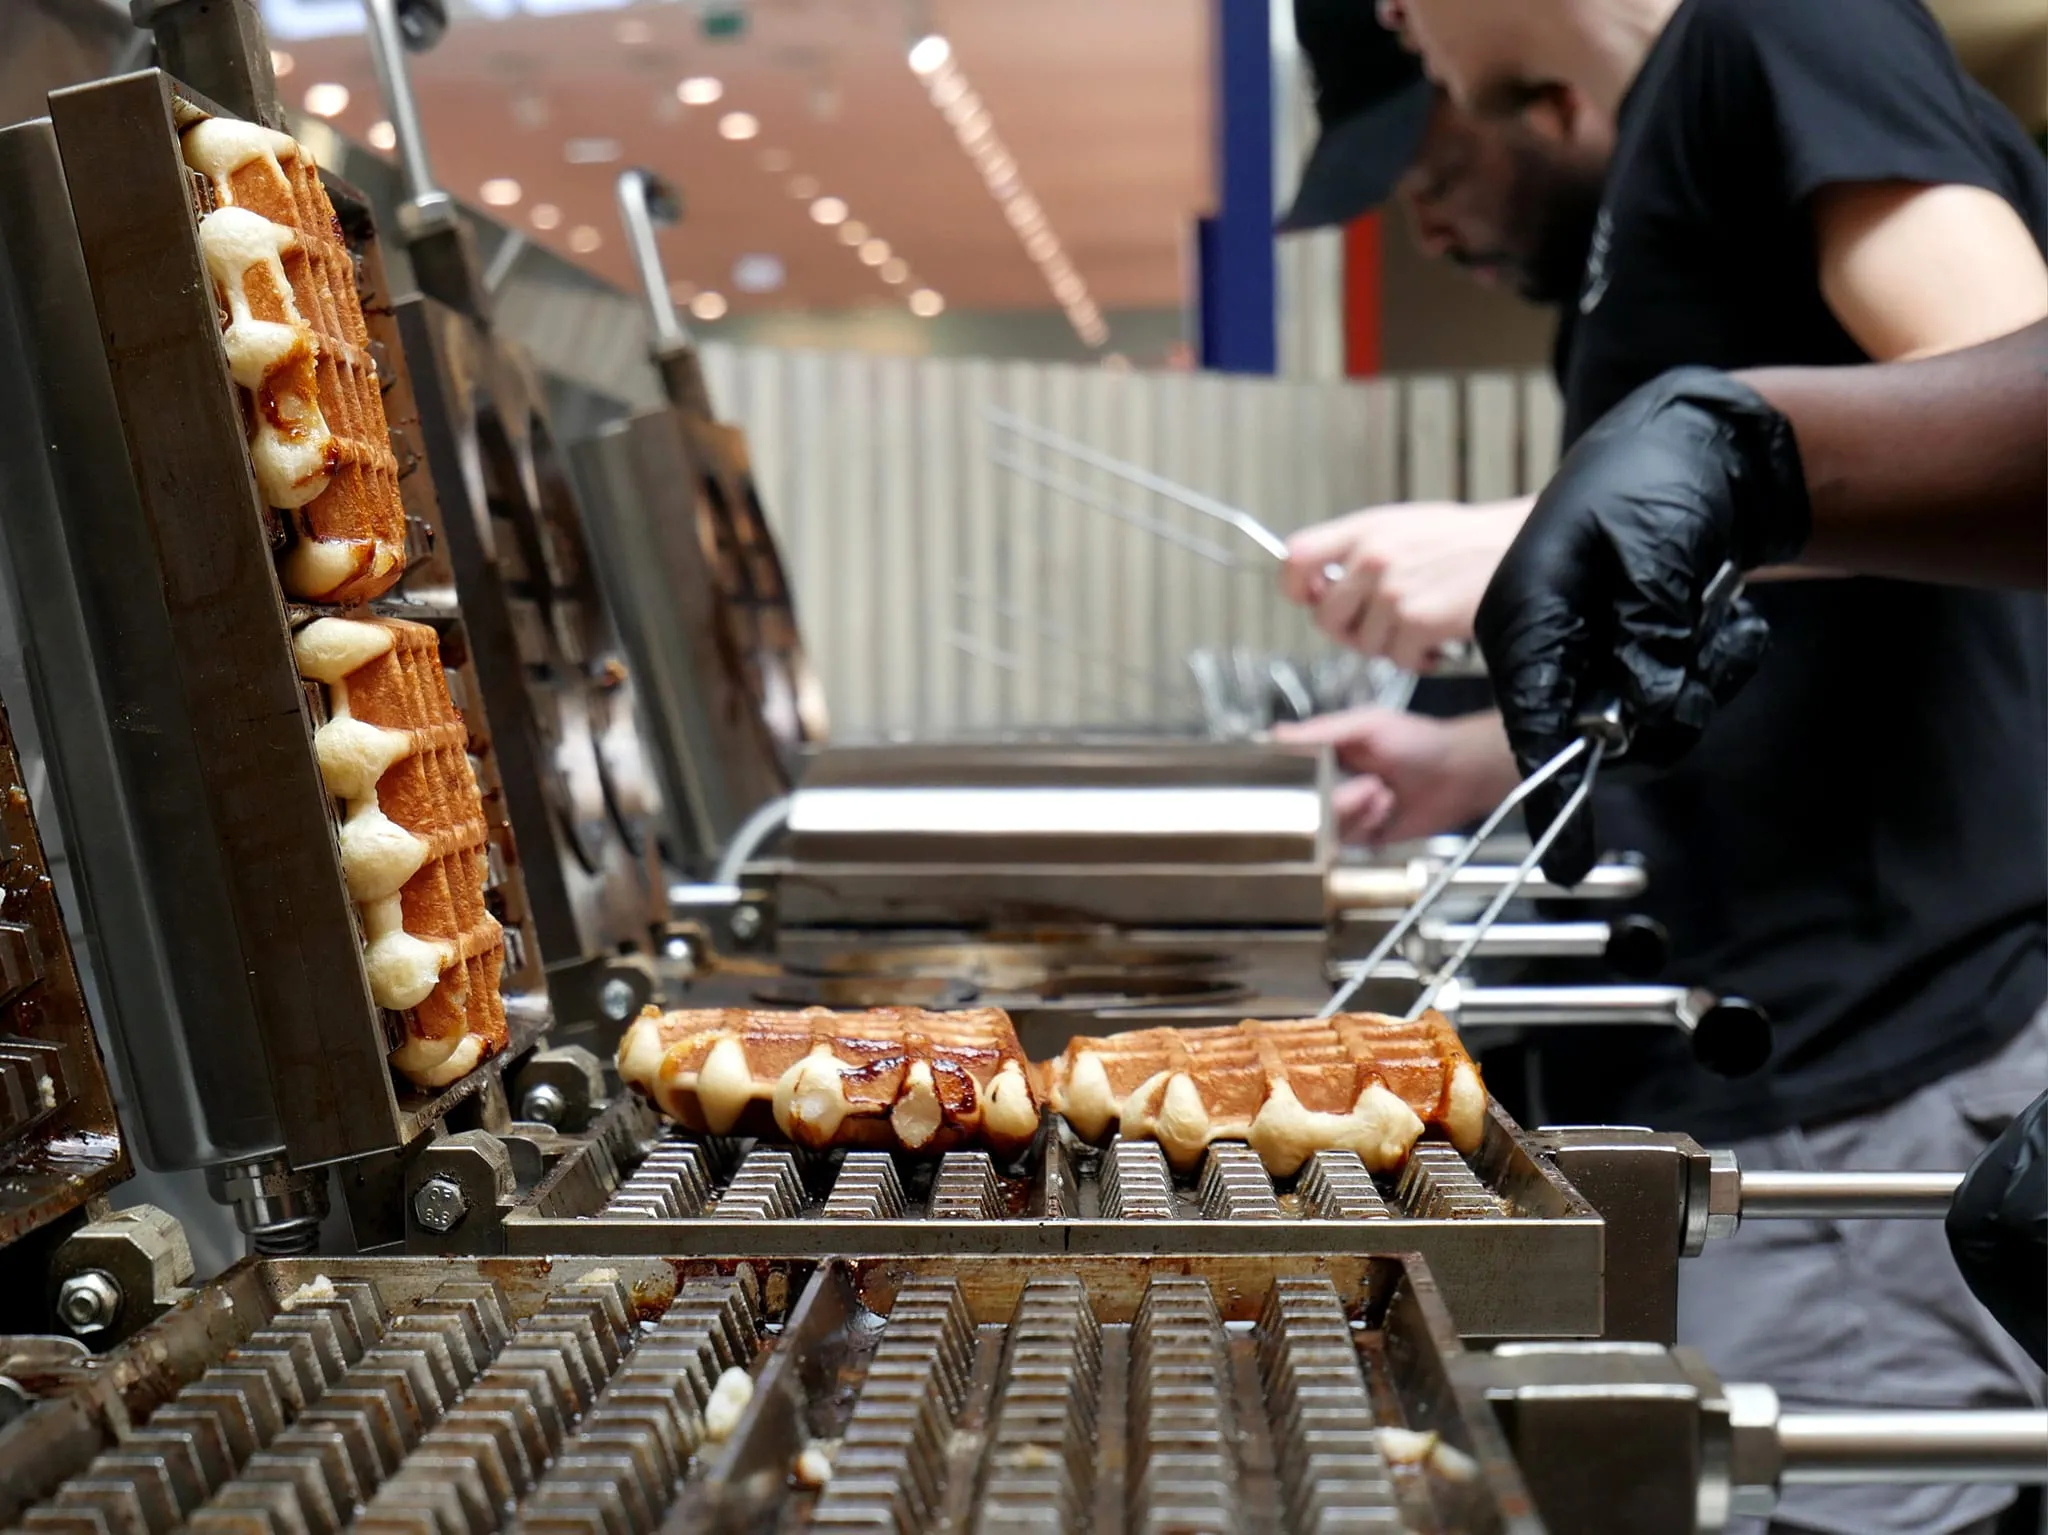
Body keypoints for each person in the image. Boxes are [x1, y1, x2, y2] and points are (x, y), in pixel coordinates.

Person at [1344, 3, 2048, 1532]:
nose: (1390, 14)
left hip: (1885, 1037)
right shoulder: (1666, 140)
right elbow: (1750, 641)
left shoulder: (1779, 24)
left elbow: (2019, 395)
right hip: (1770, 1041)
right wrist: (1461, 755)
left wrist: (1582, 512)